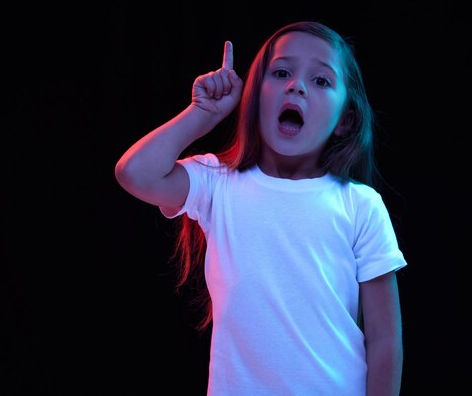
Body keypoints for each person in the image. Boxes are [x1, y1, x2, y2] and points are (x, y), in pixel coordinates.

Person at [115, 20, 407, 396]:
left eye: (320, 81)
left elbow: (384, 340)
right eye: (281, 72)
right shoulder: (216, 183)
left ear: (345, 120)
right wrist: (202, 114)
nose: (296, 85)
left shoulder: (360, 205)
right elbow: (134, 173)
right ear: (255, 98)